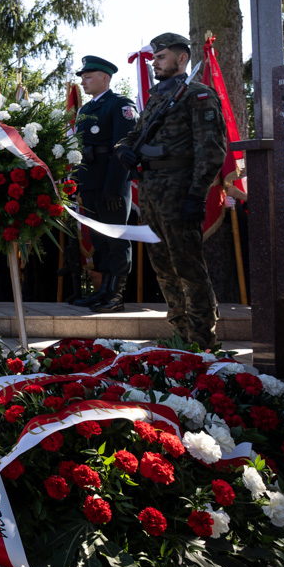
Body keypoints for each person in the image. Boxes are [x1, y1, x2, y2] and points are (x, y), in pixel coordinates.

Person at [115, 32, 226, 346]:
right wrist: (123, 150)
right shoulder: (157, 99)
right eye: (154, 58)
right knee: (163, 267)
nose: (155, 63)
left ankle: (202, 341)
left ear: (182, 59)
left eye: (161, 57)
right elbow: (135, 134)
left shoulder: (198, 95)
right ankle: (180, 335)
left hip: (180, 192)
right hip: (152, 193)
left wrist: (196, 195)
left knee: (188, 267)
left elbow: (211, 151)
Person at [68, 57, 137, 313]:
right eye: (82, 77)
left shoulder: (120, 105)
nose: (83, 82)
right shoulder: (87, 109)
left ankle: (116, 296)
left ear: (105, 78)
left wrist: (114, 188)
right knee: (99, 239)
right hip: (90, 182)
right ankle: (104, 291)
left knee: (117, 239)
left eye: (88, 76)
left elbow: (123, 149)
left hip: (111, 183)